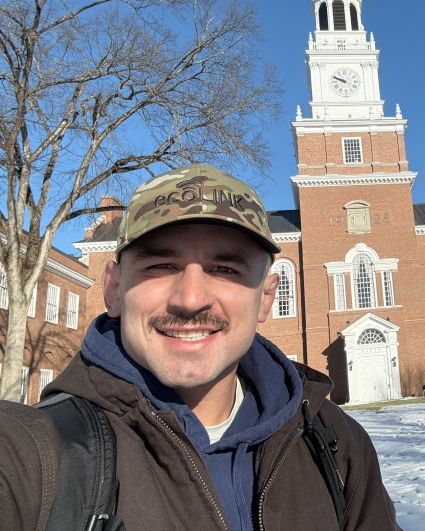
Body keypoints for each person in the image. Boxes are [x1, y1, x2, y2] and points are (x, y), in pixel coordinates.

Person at [0, 164, 401, 530]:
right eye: (161, 265)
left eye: (224, 269)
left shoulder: (333, 441)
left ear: (265, 298)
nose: (191, 299)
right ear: (114, 288)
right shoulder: (35, 455)